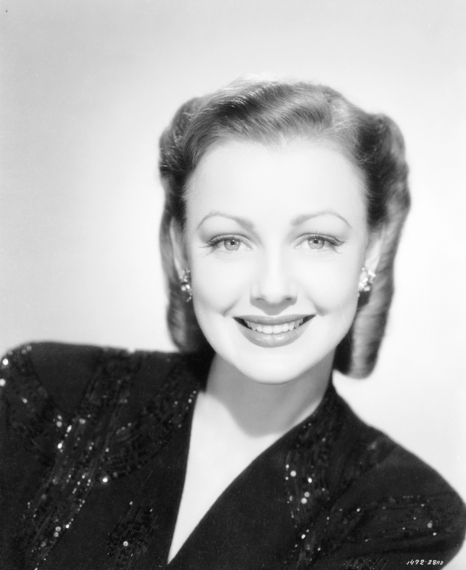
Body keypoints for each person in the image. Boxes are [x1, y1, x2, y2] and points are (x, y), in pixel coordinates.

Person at [1, 78, 465, 570]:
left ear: (370, 251)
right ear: (181, 250)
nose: (272, 288)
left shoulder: (401, 510)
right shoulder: (47, 394)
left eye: (318, 240)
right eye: (229, 241)